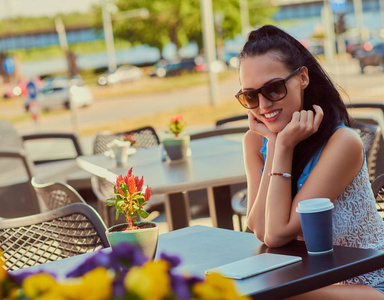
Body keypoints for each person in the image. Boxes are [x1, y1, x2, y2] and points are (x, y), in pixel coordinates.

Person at [238, 25, 384, 299]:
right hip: (310, 280)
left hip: (371, 280)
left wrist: (281, 146)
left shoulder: (343, 143)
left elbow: (276, 235)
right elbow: (259, 227)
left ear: (302, 77)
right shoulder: (256, 141)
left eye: (274, 88)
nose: (263, 105)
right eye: (250, 96)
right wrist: (274, 143)